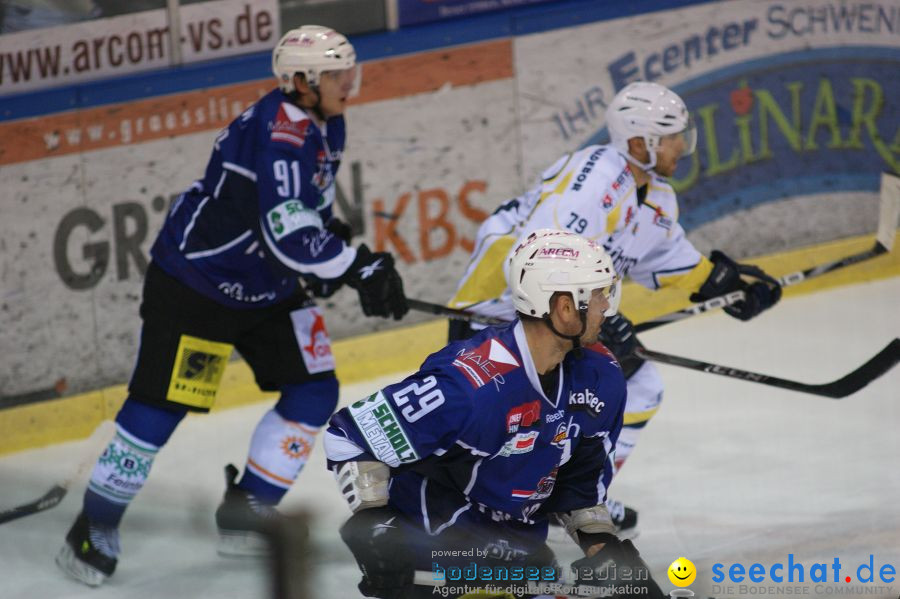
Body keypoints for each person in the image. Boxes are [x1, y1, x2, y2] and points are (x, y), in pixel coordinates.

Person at [56, 25, 408, 587]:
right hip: (199, 286)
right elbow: (289, 235)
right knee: (158, 413)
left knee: (313, 388)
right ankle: (92, 528)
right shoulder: (280, 135)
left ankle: (246, 511)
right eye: (336, 74)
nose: (349, 83)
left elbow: (296, 212)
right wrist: (354, 263)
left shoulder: (325, 120)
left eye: (349, 69)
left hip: (265, 286)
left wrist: (329, 243)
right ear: (300, 82)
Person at [447, 81, 782, 535]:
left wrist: (726, 285)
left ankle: (577, 499)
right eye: (671, 137)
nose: (681, 146)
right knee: (518, 420)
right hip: (500, 310)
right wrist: (600, 325)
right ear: (640, 143)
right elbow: (537, 259)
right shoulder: (597, 181)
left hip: (558, 315)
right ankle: (512, 509)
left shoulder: (656, 196)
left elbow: (667, 259)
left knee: (635, 390)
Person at [325, 230, 666, 599]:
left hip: (520, 554)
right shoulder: (468, 385)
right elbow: (353, 436)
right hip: (436, 552)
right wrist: (374, 526)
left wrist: (603, 547)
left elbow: (578, 483)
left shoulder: (602, 377)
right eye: (598, 294)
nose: (607, 307)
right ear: (565, 308)